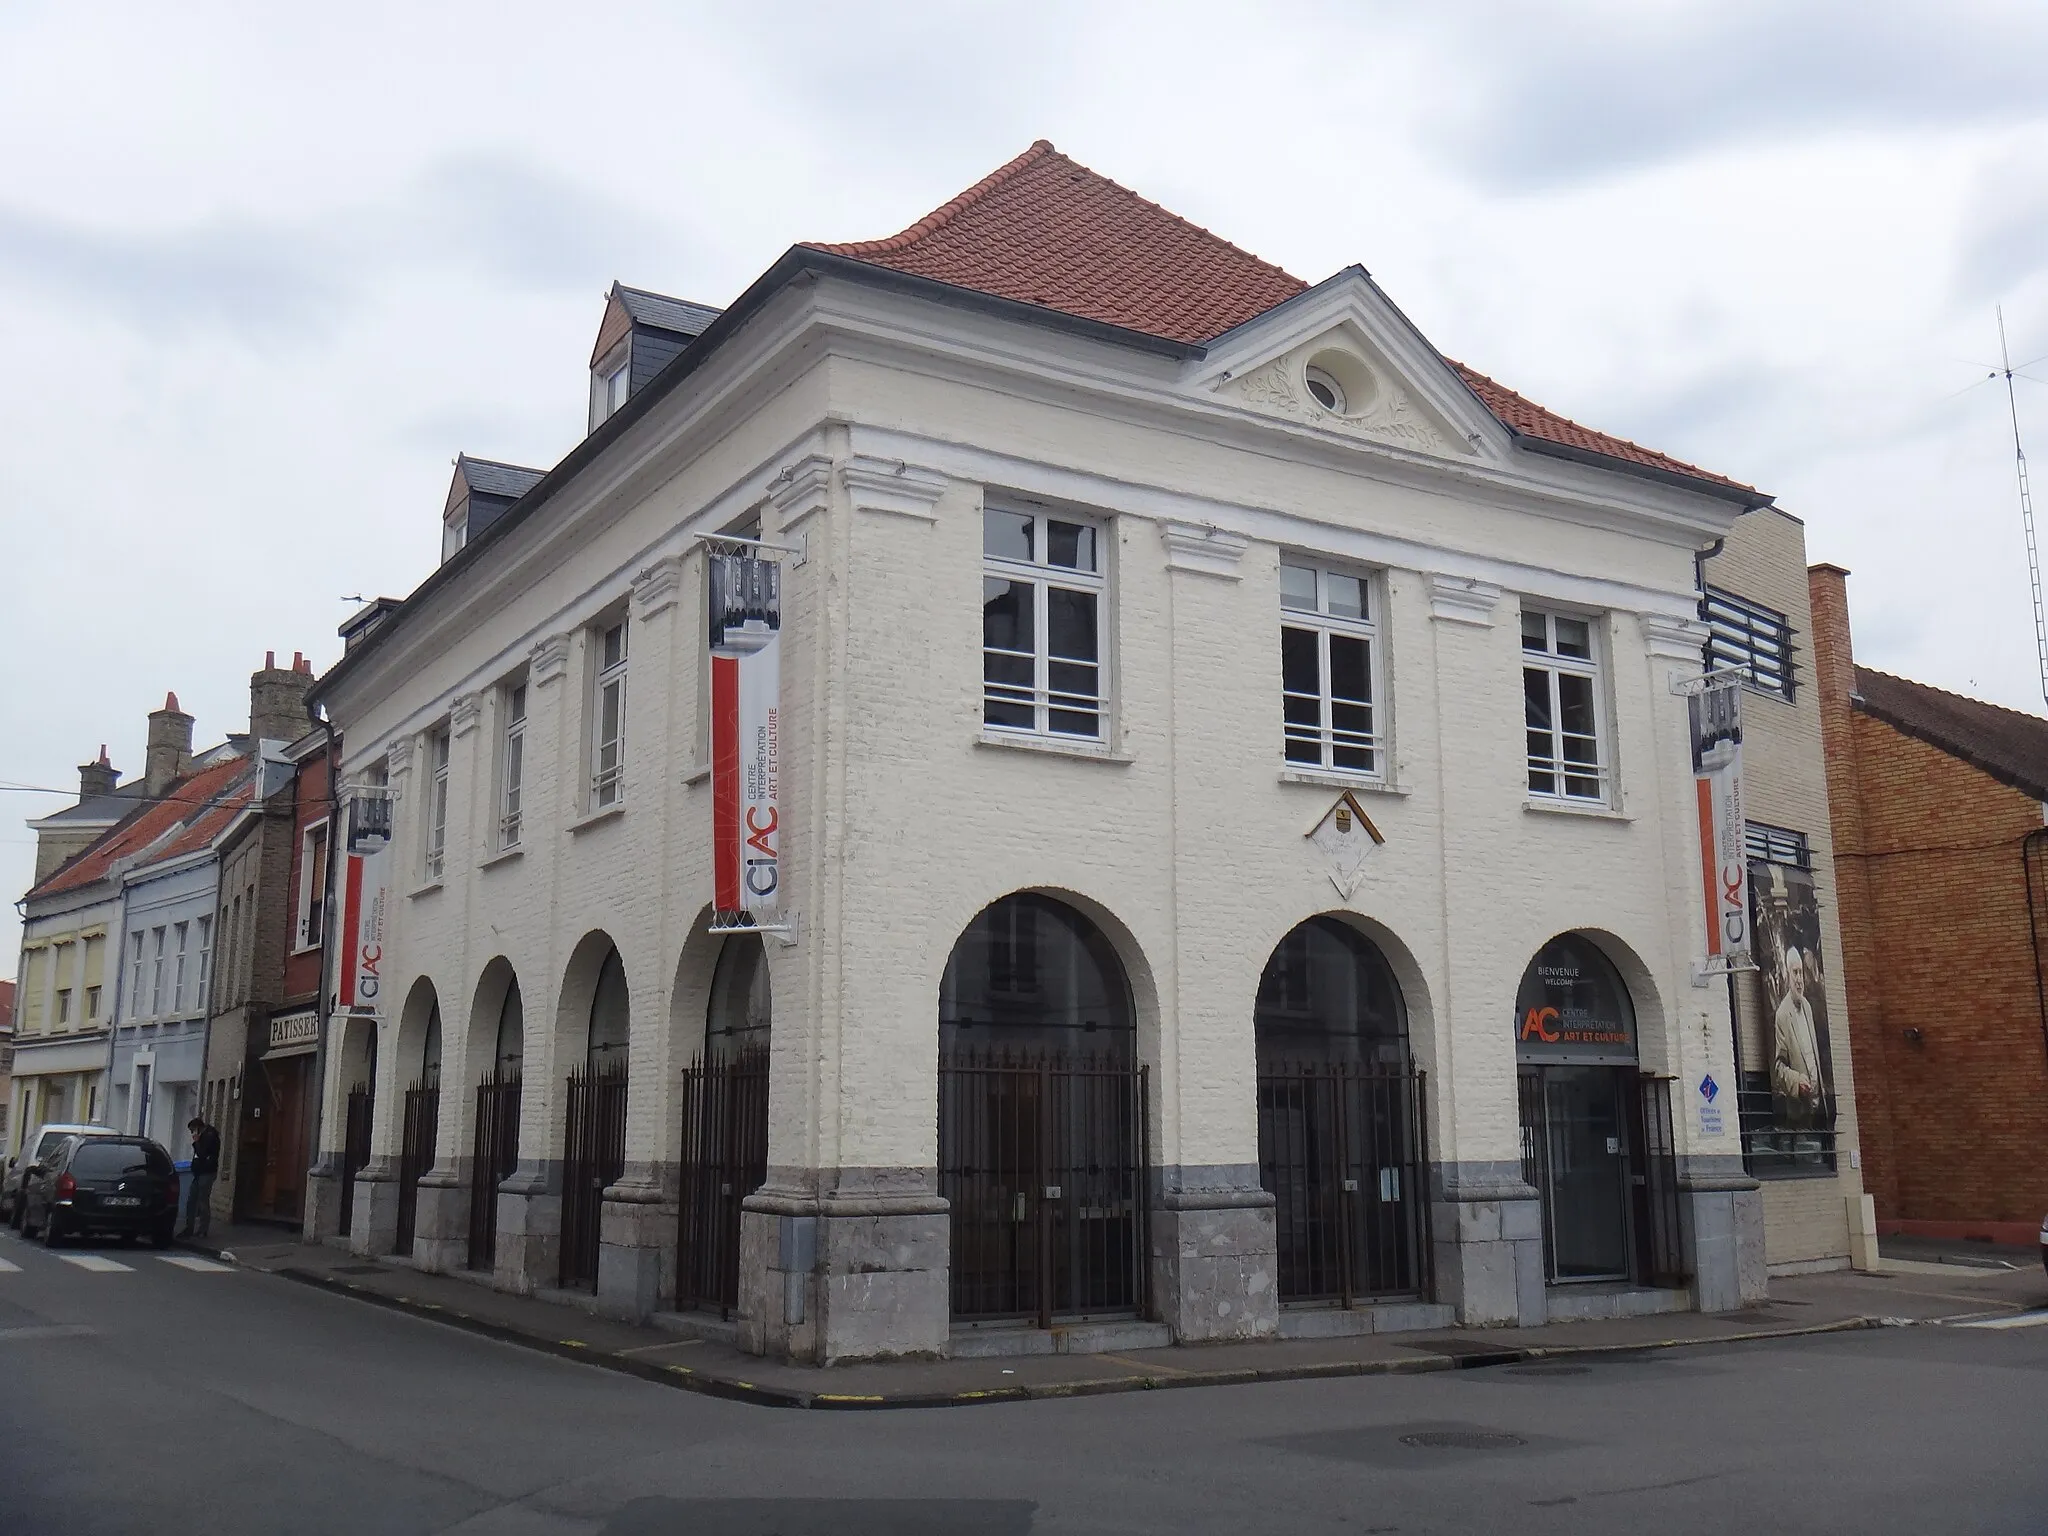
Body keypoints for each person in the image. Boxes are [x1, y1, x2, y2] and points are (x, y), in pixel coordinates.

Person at [1770, 946, 1829, 1129]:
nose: (1799, 980)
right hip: (1801, 1110)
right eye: (1794, 973)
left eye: (1801, 973)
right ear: (1787, 975)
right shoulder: (1782, 1015)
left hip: (1820, 1105)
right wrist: (1797, 1081)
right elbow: (1779, 1068)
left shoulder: (1808, 1006)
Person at [182, 1116, 221, 1239]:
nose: (192, 1133)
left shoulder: (210, 1137)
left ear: (198, 1128)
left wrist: (196, 1142)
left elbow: (202, 1154)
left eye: (193, 1130)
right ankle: (189, 1228)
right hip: (199, 1173)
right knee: (191, 1200)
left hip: (207, 1173)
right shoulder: (204, 1137)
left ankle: (203, 1230)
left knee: (203, 1201)